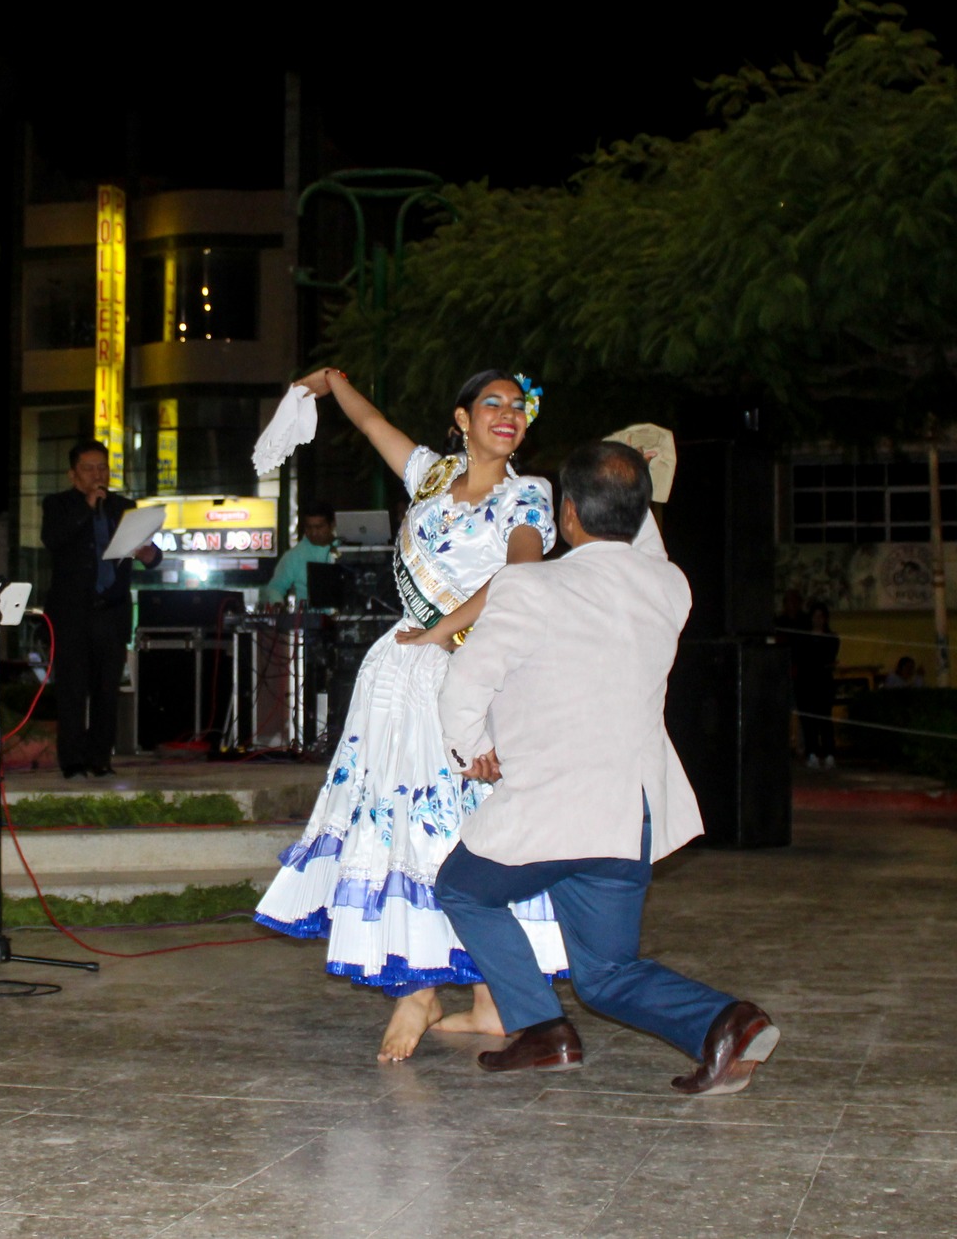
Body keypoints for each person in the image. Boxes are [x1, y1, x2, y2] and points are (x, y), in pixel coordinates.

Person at [434, 441, 779, 1095]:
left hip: (547, 807)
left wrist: (470, 751)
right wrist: (636, 492)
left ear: (566, 514)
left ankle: (541, 1028)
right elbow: (640, 543)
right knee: (607, 972)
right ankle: (726, 1020)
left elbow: (462, 685)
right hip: (626, 813)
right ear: (640, 510)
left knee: (462, 887)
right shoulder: (669, 587)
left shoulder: (528, 585)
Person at [254, 368, 567, 1062]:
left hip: (472, 673)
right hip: (400, 678)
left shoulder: (529, 494)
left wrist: (441, 629)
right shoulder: (428, 476)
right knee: (409, 824)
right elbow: (371, 427)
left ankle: (466, 995)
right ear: (462, 416)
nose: (509, 415)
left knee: (474, 828)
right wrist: (332, 384)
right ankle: (439, 988)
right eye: (493, 403)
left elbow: (518, 577)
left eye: (519, 407)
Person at [41, 440, 162, 780]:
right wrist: (86, 508)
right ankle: (73, 760)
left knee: (107, 687)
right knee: (72, 689)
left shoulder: (124, 506)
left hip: (112, 610)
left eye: (103, 468)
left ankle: (100, 757)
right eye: (90, 468)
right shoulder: (58, 505)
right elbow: (53, 540)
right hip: (72, 614)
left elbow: (151, 551)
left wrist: (150, 555)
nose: (98, 475)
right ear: (73, 474)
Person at [793, 601, 841, 769]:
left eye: (821, 616)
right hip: (806, 684)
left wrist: (821, 663)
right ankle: (811, 753)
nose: (818, 620)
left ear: (825, 619)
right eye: (815, 616)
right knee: (808, 722)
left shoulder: (832, 638)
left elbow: (828, 658)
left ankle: (829, 754)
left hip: (823, 684)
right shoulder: (802, 638)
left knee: (825, 720)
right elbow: (801, 659)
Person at [267, 501, 337, 606]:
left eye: (319, 527)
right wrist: (278, 605)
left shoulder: (348, 550)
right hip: (309, 619)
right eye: (309, 528)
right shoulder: (294, 555)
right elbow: (275, 588)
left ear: (332, 525)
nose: (313, 533)